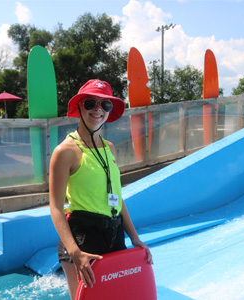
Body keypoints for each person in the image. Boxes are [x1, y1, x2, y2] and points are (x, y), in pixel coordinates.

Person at [49, 79, 152, 299]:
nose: (98, 109)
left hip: (114, 235)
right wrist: (74, 252)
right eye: (90, 103)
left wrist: (134, 238)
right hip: (82, 238)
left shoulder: (109, 149)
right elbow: (56, 208)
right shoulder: (65, 151)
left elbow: (117, 199)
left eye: (105, 105)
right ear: (79, 106)